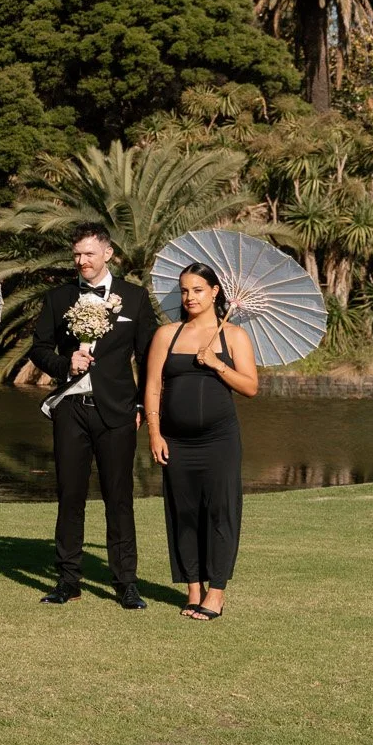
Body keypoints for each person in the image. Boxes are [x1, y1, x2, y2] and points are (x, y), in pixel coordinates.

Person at [29, 226, 158, 609]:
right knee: (70, 496)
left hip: (117, 412)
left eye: (87, 254)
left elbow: (149, 356)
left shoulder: (134, 299)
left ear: (108, 253)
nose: (81, 261)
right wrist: (64, 363)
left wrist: (139, 406)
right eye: (76, 255)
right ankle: (68, 580)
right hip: (71, 409)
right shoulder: (59, 298)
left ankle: (126, 583)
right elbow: (39, 348)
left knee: (119, 499)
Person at [143, 263, 258, 621]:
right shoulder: (167, 334)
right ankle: (193, 589)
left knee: (221, 512)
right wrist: (154, 432)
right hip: (176, 441)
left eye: (197, 290)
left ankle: (217, 592)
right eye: (184, 291)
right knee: (184, 513)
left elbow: (251, 388)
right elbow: (152, 387)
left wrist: (216, 365)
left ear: (214, 293)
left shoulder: (234, 336)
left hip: (219, 440)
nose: (189, 297)